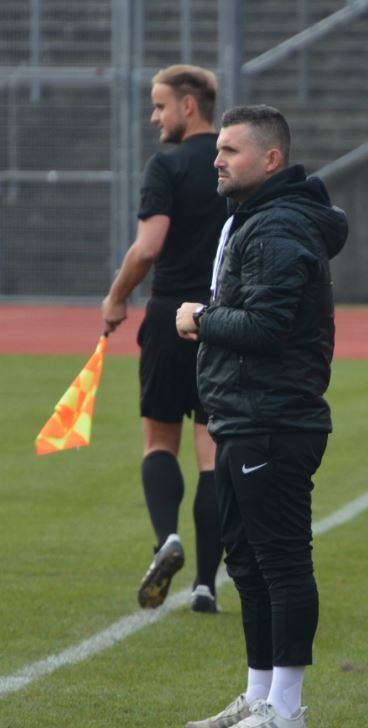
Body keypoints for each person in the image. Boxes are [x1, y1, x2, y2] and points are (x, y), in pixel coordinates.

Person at [175, 105, 348, 728]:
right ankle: (259, 696)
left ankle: (288, 711)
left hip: (273, 418)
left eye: (231, 150)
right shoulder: (254, 218)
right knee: (247, 565)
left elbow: (267, 327)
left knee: (281, 563)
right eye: (218, 148)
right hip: (243, 415)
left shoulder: (278, 225)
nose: (217, 159)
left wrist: (199, 318)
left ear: (271, 159)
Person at [101, 64, 226, 613]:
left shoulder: (167, 165)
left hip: (169, 316)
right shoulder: (233, 160)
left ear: (187, 106)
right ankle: (205, 585)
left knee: (159, 442)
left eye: (159, 106)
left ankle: (167, 538)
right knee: (211, 454)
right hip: (222, 321)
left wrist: (116, 297)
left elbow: (149, 246)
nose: (154, 117)